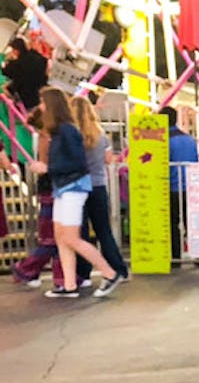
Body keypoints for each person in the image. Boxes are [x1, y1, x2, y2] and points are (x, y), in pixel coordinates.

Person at [31, 87, 123, 298]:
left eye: (43, 102)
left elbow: (77, 163)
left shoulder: (67, 131)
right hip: (65, 187)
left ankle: (109, 273)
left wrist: (48, 169)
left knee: (71, 238)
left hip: (73, 187)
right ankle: (69, 284)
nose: (40, 106)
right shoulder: (61, 130)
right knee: (62, 237)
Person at [72, 95, 129, 286]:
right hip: (98, 185)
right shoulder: (100, 135)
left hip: (78, 187)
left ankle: (83, 273)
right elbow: (108, 160)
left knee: (80, 234)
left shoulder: (71, 136)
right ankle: (119, 269)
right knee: (104, 231)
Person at [11, 107, 64, 289]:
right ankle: (27, 269)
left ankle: (60, 277)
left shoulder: (41, 137)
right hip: (53, 187)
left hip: (49, 187)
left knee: (56, 238)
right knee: (54, 238)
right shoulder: (47, 139)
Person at [160, 105, 199, 265]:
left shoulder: (164, 141)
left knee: (173, 223)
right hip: (191, 187)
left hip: (172, 187)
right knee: (192, 221)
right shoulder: (189, 139)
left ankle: (176, 257)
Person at [2, 37, 49, 111]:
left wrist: (10, 60)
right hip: (36, 96)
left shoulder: (18, 63)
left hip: (23, 95)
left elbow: (6, 72)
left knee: (5, 89)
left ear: (16, 50)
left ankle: (12, 112)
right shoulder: (39, 59)